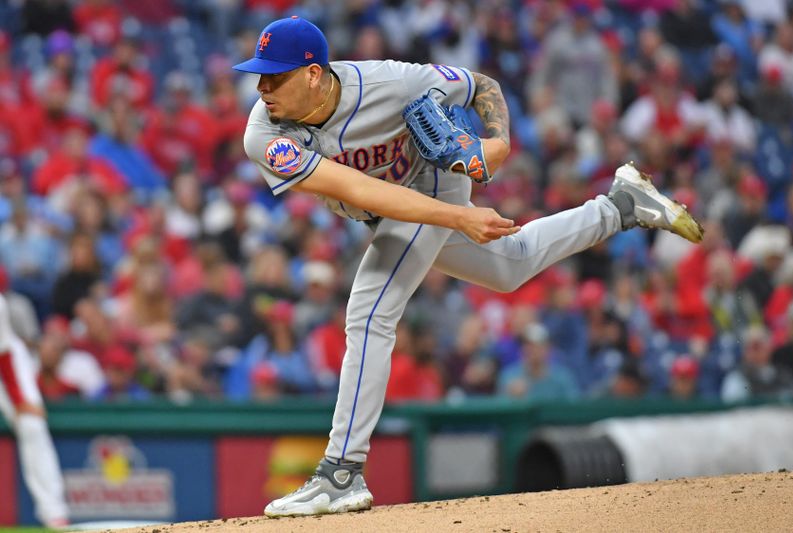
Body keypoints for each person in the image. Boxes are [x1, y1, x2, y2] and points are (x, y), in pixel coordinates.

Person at [236, 16, 702, 517]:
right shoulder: (263, 133)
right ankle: (621, 206)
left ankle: (341, 472)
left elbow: (481, 85)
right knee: (509, 267)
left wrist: (497, 142)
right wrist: (461, 218)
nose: (263, 87)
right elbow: (357, 189)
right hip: (401, 206)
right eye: (259, 74)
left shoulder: (392, 82)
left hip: (430, 182)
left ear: (312, 73)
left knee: (370, 310)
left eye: (275, 75)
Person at [0, 294, 69, 527]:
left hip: (5, 367)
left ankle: (54, 513)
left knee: (32, 425)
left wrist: (21, 402)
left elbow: (5, 355)